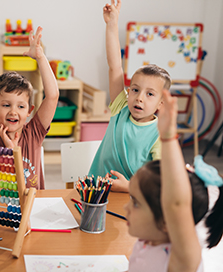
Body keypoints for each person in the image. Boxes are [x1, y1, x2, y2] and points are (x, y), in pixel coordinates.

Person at [125, 89, 223, 271]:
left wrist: (168, 138)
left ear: (167, 220)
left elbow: (176, 204)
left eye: (136, 203)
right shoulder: (147, 239)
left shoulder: (180, 261)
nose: (126, 208)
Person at [88, 0, 172, 192]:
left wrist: (129, 187)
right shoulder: (121, 107)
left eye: (149, 94)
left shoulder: (159, 135)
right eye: (135, 90)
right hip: (95, 192)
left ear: (161, 103)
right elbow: (115, 66)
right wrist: (112, 25)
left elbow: (161, 182)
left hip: (132, 201)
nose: (139, 98)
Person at [0, 26, 59, 190]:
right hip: (4, 212)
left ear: (30, 111)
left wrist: (41, 58)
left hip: (34, 207)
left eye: (21, 106)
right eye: (6, 105)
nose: (13, 111)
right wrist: (11, 153)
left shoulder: (33, 133)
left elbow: (52, 96)